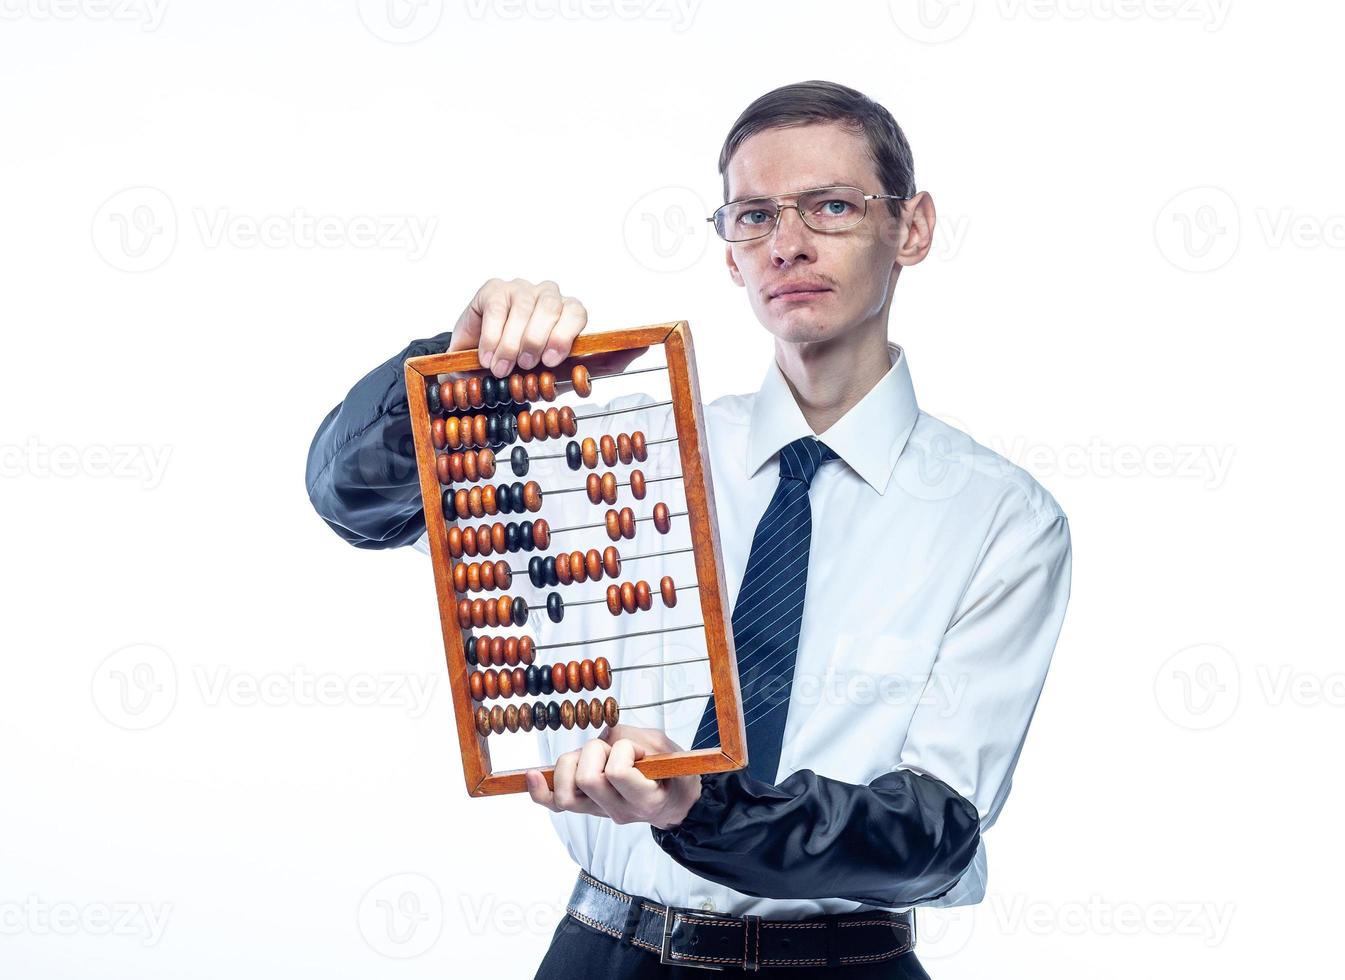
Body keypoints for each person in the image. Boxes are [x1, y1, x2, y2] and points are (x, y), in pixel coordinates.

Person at [305, 80, 1072, 977]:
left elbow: (932, 834)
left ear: (912, 228)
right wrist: (453, 379)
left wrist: (698, 806)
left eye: (830, 206)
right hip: (601, 952)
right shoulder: (624, 453)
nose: (787, 245)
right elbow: (357, 507)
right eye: (754, 216)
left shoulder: (1003, 519)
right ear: (729, 252)